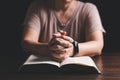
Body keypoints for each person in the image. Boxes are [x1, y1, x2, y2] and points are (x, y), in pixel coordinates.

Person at [21, 0, 106, 62]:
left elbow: (98, 45)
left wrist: (72, 49)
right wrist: (50, 49)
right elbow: (26, 42)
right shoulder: (37, 7)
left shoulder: (89, 9)